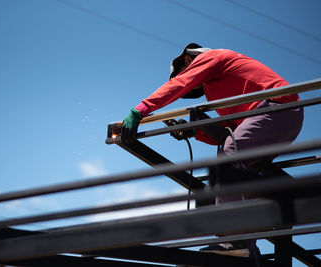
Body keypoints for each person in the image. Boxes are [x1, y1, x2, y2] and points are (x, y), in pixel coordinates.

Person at [122, 43, 303, 257]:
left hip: (278, 107)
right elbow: (234, 128)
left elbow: (182, 83)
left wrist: (141, 110)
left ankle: (234, 240)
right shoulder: (217, 87)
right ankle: (244, 245)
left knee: (230, 154)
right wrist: (193, 132)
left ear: (188, 61)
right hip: (278, 115)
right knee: (229, 157)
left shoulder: (213, 57)